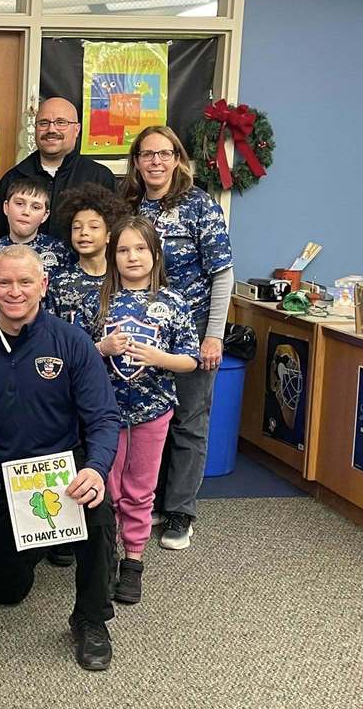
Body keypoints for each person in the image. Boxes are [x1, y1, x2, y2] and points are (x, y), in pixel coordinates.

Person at [0, 245, 121, 671]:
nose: (15, 291)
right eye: (5, 282)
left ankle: (90, 617)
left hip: (63, 469)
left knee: (99, 509)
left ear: (42, 285)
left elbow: (103, 416)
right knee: (7, 592)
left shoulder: (71, 341)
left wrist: (95, 468)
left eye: (25, 281)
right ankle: (40, 543)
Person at [120, 126, 234, 551]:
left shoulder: (199, 205)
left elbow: (222, 272)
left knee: (188, 422)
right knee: (147, 420)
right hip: (138, 326)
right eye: (147, 154)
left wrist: (214, 335)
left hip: (192, 327)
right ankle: (146, 499)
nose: (155, 162)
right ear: (136, 161)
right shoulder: (127, 205)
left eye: (164, 154)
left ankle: (180, 510)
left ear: (177, 158)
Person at [76, 217, 198, 604]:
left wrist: (160, 357)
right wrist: (102, 348)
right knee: (106, 487)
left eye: (141, 249)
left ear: (155, 253)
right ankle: (105, 555)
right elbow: (77, 355)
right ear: (112, 254)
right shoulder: (96, 299)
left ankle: (134, 559)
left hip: (152, 412)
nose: (132, 257)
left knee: (140, 489)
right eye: (124, 249)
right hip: (104, 415)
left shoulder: (173, 302)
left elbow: (192, 361)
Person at [0, 97, 116, 241]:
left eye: (61, 123)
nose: (51, 129)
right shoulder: (14, 178)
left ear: (77, 129)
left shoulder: (99, 177)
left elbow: (114, 234)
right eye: (44, 123)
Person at [49, 183, 129, 322]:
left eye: (94, 227)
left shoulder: (124, 279)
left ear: (109, 235)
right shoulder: (58, 283)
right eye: (77, 227)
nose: (84, 233)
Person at [0, 176, 73, 276]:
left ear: (45, 215)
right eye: (19, 203)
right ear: (6, 207)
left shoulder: (60, 251)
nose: (26, 212)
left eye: (35, 207)